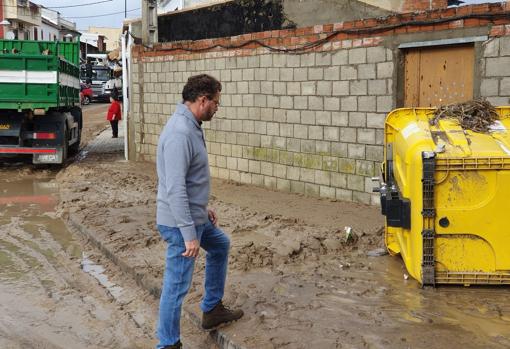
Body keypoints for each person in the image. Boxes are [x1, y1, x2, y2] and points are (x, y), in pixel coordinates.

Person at [155, 74, 243, 349]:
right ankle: (168, 343)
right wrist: (189, 235)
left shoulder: (192, 125)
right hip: (181, 224)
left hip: (195, 217)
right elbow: (175, 188)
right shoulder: (179, 133)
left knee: (220, 245)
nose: (218, 107)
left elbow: (191, 180)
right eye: (216, 102)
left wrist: (203, 209)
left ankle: (212, 309)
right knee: (176, 286)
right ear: (202, 100)